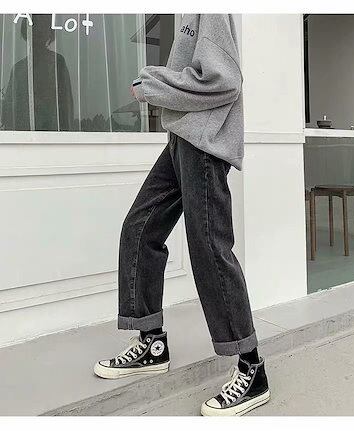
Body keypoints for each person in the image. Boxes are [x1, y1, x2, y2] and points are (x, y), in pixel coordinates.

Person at [94, 13, 270, 416]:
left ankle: (251, 367)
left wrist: (154, 85)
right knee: (140, 228)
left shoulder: (212, 11)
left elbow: (225, 82)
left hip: (203, 146)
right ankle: (151, 342)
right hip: (181, 140)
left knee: (209, 249)